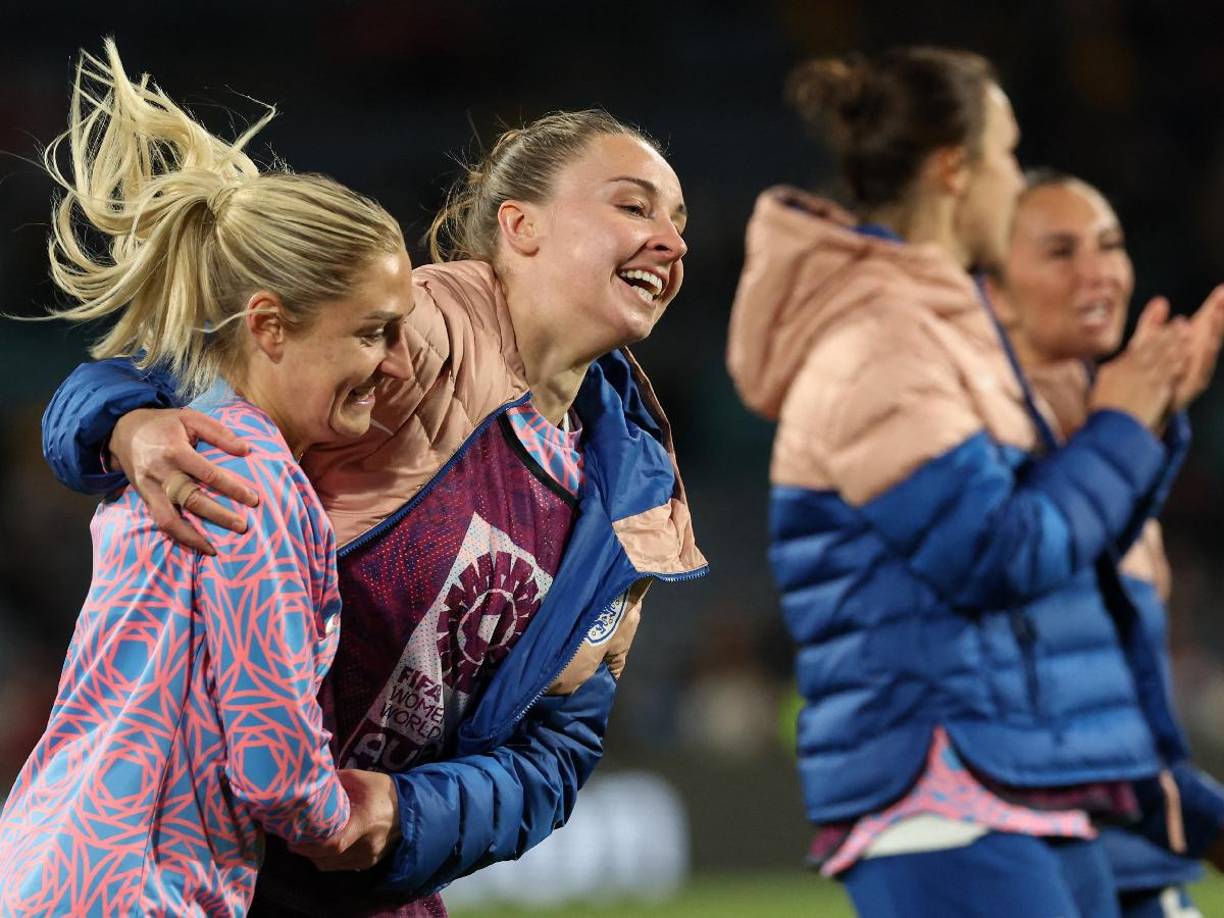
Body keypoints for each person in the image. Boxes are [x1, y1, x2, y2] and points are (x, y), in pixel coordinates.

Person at [41, 110, 707, 916]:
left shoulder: (632, 502)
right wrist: (123, 423)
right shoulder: (409, 332)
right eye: (634, 208)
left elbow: (555, 756)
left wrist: (401, 817)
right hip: (198, 851)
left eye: (677, 221)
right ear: (520, 225)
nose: (670, 243)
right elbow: (175, 362)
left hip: (352, 881)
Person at [727, 46, 1222, 916]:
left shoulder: (932, 326)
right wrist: (1121, 423)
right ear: (956, 168)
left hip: (1018, 782)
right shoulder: (882, 338)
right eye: (1006, 153)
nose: (1013, 179)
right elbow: (996, 552)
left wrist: (1138, 422)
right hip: (940, 789)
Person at [0, 40, 414, 916]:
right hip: (141, 890)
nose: (396, 362)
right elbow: (270, 762)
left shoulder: (190, 445)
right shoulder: (245, 481)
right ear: (269, 323)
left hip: (51, 860)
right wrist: (352, 817)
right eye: (374, 331)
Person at [987, 170, 1224, 918]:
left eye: (1111, 245)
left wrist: (1143, 426)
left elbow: (1121, 720)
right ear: (990, 283)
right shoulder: (968, 449)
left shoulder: (1118, 454)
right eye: (1060, 251)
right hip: (1040, 862)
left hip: (1139, 872)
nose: (1100, 273)